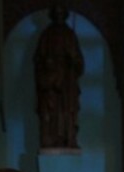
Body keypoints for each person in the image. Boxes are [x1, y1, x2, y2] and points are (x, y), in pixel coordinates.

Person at [34, 5, 84, 150]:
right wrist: (48, 65)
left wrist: (73, 61)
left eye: (61, 13)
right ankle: (50, 139)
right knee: (50, 111)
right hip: (50, 81)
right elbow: (38, 59)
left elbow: (79, 62)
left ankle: (68, 138)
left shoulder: (70, 35)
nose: (59, 16)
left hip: (67, 81)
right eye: (57, 13)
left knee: (67, 110)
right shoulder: (46, 35)